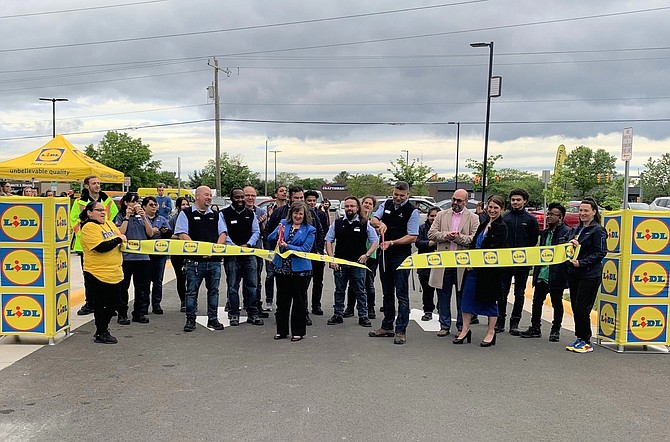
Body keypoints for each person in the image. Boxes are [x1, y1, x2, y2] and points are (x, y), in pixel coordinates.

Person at [369, 181, 419, 345]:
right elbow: (373, 219)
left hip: (401, 256)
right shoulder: (387, 204)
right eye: (395, 195)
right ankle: (387, 326)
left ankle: (401, 330)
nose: (397, 198)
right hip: (385, 255)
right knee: (387, 292)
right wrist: (380, 223)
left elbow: (412, 236)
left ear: (407, 195)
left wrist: (393, 242)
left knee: (402, 295)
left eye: (401, 196)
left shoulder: (412, 211)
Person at [454, 195, 508, 347]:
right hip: (473, 268)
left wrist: (490, 233)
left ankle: (491, 332)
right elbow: (473, 243)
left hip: (489, 271)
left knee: (490, 301)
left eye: (496, 208)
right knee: (466, 299)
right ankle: (465, 330)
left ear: (501, 209)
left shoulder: (501, 226)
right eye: (490, 207)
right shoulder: (483, 223)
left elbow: (496, 248)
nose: (492, 210)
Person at [175, 186, 227, 332]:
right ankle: (190, 320)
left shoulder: (216, 215)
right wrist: (199, 250)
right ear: (197, 196)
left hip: (214, 262)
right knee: (191, 292)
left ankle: (213, 319)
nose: (209, 197)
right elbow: (182, 234)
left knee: (214, 291)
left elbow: (223, 233)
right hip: (194, 261)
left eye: (210, 195)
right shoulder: (185, 214)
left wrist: (214, 250)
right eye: (206, 195)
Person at [428, 189, 480, 336]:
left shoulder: (473, 218)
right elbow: (431, 234)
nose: (455, 203)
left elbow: (473, 239)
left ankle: (460, 327)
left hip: (461, 264)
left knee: (461, 296)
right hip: (443, 262)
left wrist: (457, 238)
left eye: (459, 200)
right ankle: (444, 325)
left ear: (465, 202)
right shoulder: (441, 214)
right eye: (453, 199)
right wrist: (446, 235)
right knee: (443, 296)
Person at [519, 202, 571, 341]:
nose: (549, 216)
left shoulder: (566, 232)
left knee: (556, 303)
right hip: (542, 272)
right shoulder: (545, 233)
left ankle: (555, 330)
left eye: (553, 214)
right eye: (549, 214)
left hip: (556, 274)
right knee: (537, 301)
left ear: (561, 218)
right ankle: (535, 327)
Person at [325, 196, 379, 327]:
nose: (349, 209)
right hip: (340, 263)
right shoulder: (337, 223)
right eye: (347, 206)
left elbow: (375, 241)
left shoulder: (365, 223)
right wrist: (332, 259)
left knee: (360, 290)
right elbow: (328, 241)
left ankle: (363, 316)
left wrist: (367, 255)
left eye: (352, 206)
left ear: (357, 207)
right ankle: (337, 314)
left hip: (358, 264)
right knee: (339, 290)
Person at [69, 175, 119, 316]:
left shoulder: (107, 202)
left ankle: (107, 304)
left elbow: (113, 220)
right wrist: (88, 236)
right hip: (86, 245)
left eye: (98, 183)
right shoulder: (79, 202)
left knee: (108, 276)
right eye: (94, 183)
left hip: (107, 243)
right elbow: (74, 222)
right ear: (87, 186)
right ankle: (90, 303)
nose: (97, 185)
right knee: (89, 276)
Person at [79, 201, 127, 344]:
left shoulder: (109, 224)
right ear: (89, 212)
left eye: (103, 210)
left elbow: (121, 239)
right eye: (98, 210)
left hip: (114, 272)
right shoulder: (89, 227)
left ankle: (102, 329)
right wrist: (118, 239)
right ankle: (101, 331)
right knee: (100, 304)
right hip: (96, 273)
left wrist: (120, 239)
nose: (102, 212)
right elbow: (100, 247)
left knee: (114, 303)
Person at [268, 201, 316, 342]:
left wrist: (287, 246)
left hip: (300, 271)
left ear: (305, 215)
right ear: (291, 214)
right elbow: (270, 238)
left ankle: (298, 332)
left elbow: (305, 249)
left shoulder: (310, 229)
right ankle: (281, 331)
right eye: (296, 213)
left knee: (299, 302)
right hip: (281, 269)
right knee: (282, 302)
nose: (298, 216)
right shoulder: (283, 223)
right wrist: (278, 233)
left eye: (300, 213)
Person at [565, 197, 607, 353]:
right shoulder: (576, 229)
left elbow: (601, 252)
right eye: (581, 210)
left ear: (593, 212)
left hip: (590, 274)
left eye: (586, 211)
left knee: (583, 308)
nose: (582, 213)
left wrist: (582, 262)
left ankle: (586, 340)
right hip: (575, 274)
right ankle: (579, 337)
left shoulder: (598, 230)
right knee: (576, 307)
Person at [498, 188, 539, 335]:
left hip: (522, 264)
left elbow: (533, 240)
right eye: (513, 200)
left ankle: (515, 322)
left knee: (519, 294)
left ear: (524, 201)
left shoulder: (530, 220)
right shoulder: (504, 218)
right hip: (505, 263)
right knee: (502, 293)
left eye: (518, 200)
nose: (515, 202)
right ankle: (500, 321)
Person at [221, 187, 263, 326]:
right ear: (231, 198)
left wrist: (249, 244)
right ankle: (234, 314)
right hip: (232, 255)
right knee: (233, 286)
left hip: (248, 254)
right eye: (237, 197)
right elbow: (223, 232)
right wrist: (234, 246)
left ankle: (253, 313)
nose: (240, 200)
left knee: (252, 285)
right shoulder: (223, 214)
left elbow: (256, 232)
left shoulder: (251, 214)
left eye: (242, 197)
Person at [115, 192, 153, 325]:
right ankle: (122, 314)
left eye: (137, 201)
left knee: (142, 287)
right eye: (132, 201)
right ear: (126, 203)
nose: (135, 204)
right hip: (126, 258)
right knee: (123, 287)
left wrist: (144, 218)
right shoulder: (120, 216)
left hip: (142, 257)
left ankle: (139, 312)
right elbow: (120, 232)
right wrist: (127, 216)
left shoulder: (142, 216)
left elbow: (150, 233)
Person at [243, 185, 270, 318]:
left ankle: (256, 305)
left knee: (256, 279)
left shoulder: (260, 212)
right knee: (240, 279)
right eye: (247, 195)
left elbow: (263, 232)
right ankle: (240, 303)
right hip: (241, 250)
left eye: (252, 195)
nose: (250, 198)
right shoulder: (238, 211)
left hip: (257, 249)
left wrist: (262, 222)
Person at [142, 196, 172, 314]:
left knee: (158, 281)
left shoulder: (162, 219)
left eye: (155, 205)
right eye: (151, 205)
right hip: (146, 255)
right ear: (144, 207)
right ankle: (144, 305)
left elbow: (169, 233)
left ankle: (156, 304)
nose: (154, 207)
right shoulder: (141, 219)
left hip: (159, 255)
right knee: (145, 281)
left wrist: (165, 232)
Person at [263, 185, 289, 310]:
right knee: (270, 275)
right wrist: (268, 248)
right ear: (276, 194)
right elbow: (267, 229)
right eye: (281, 191)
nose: (284, 193)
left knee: (282, 277)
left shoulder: (289, 209)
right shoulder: (272, 209)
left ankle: (281, 303)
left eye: (286, 191)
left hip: (285, 249)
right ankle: (269, 300)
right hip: (272, 247)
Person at [305, 190, 330, 316]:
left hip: (317, 254)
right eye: (309, 200)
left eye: (314, 201)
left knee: (318, 282)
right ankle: (304, 310)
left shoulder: (320, 214)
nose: (312, 203)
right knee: (304, 283)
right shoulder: (301, 214)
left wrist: (320, 250)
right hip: (304, 255)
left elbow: (322, 232)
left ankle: (316, 305)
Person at [416, 206, 439, 321]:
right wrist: (429, 243)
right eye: (432, 216)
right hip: (425, 264)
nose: (434, 218)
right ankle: (428, 311)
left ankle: (442, 310)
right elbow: (418, 242)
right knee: (427, 290)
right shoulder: (422, 228)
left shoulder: (444, 228)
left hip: (440, 264)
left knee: (441, 290)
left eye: (436, 216)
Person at [169, 197, 190, 312]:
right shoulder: (173, 219)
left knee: (191, 278)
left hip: (190, 252)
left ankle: (191, 300)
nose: (185, 206)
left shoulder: (191, 217)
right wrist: (181, 236)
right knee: (181, 278)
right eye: (183, 204)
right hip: (177, 253)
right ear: (178, 206)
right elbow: (169, 234)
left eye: (187, 204)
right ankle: (183, 301)